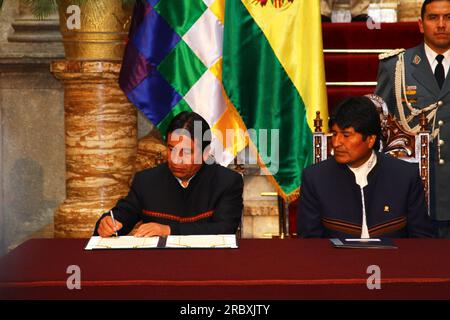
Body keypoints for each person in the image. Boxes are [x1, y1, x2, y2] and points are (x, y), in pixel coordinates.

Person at [297, 96, 434, 238]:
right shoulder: (315, 178)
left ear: (370, 140)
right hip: (335, 259)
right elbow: (309, 244)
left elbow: (421, 241)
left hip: (393, 259)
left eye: (346, 135)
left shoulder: (405, 176)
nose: (336, 142)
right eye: (334, 133)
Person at [94, 111, 244, 237]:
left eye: (186, 152)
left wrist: (168, 230)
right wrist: (108, 224)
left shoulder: (227, 182)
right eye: (171, 149)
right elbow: (122, 216)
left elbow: (224, 229)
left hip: (207, 264)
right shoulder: (146, 181)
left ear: (206, 153)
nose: (176, 159)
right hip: (157, 265)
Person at [375, 0, 450, 237]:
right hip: (416, 187)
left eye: (448, 17)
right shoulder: (397, 66)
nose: (441, 25)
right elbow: (382, 127)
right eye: (433, 18)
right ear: (420, 24)